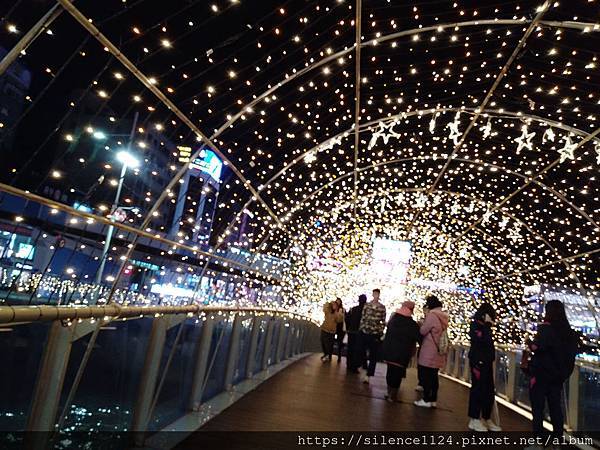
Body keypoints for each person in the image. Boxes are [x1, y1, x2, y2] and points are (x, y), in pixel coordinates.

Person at [528, 300, 579, 441]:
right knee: (555, 408)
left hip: (541, 375)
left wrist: (529, 343)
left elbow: (537, 348)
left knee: (538, 409)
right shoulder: (568, 331)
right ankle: (557, 440)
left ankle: (539, 441)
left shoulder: (546, 328)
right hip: (557, 377)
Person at [467, 303, 502, 432]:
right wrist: (487, 325)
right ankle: (474, 419)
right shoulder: (476, 325)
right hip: (478, 362)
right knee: (478, 390)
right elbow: (483, 339)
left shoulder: (483, 327)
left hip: (486, 362)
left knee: (488, 391)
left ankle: (486, 418)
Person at [382, 300, 420, 402]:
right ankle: (393, 395)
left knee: (390, 372)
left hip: (390, 350)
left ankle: (389, 392)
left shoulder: (393, 319)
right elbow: (418, 337)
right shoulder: (412, 324)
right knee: (397, 374)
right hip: (403, 353)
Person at [414, 295, 449, 408]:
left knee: (426, 376)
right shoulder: (444, 316)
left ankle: (426, 399)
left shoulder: (432, 316)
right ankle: (433, 399)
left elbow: (423, 331)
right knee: (434, 376)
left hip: (429, 350)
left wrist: (421, 325)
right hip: (438, 350)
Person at [358, 288, 387, 383]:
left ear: (379, 295)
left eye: (377, 294)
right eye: (374, 294)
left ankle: (369, 374)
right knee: (362, 351)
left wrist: (380, 331)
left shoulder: (382, 307)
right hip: (365, 331)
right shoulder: (367, 305)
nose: (376, 296)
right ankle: (365, 366)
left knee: (373, 354)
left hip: (375, 334)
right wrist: (362, 328)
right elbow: (363, 316)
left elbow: (383, 320)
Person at [345, 294, 367, 373]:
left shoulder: (353, 309)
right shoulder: (366, 311)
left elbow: (347, 319)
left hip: (351, 331)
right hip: (360, 333)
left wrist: (348, 328)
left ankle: (349, 365)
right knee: (357, 350)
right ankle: (355, 366)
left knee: (350, 349)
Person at [415, 304, 429, 393]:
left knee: (424, 365)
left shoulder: (429, 321)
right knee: (420, 364)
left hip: (426, 345)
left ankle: (423, 383)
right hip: (423, 345)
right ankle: (421, 382)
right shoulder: (422, 320)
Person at [334, 298, 346, 363]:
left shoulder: (343, 310)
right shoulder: (333, 309)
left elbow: (344, 318)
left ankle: (339, 356)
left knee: (339, 341)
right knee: (331, 340)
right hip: (334, 325)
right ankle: (329, 355)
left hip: (340, 327)